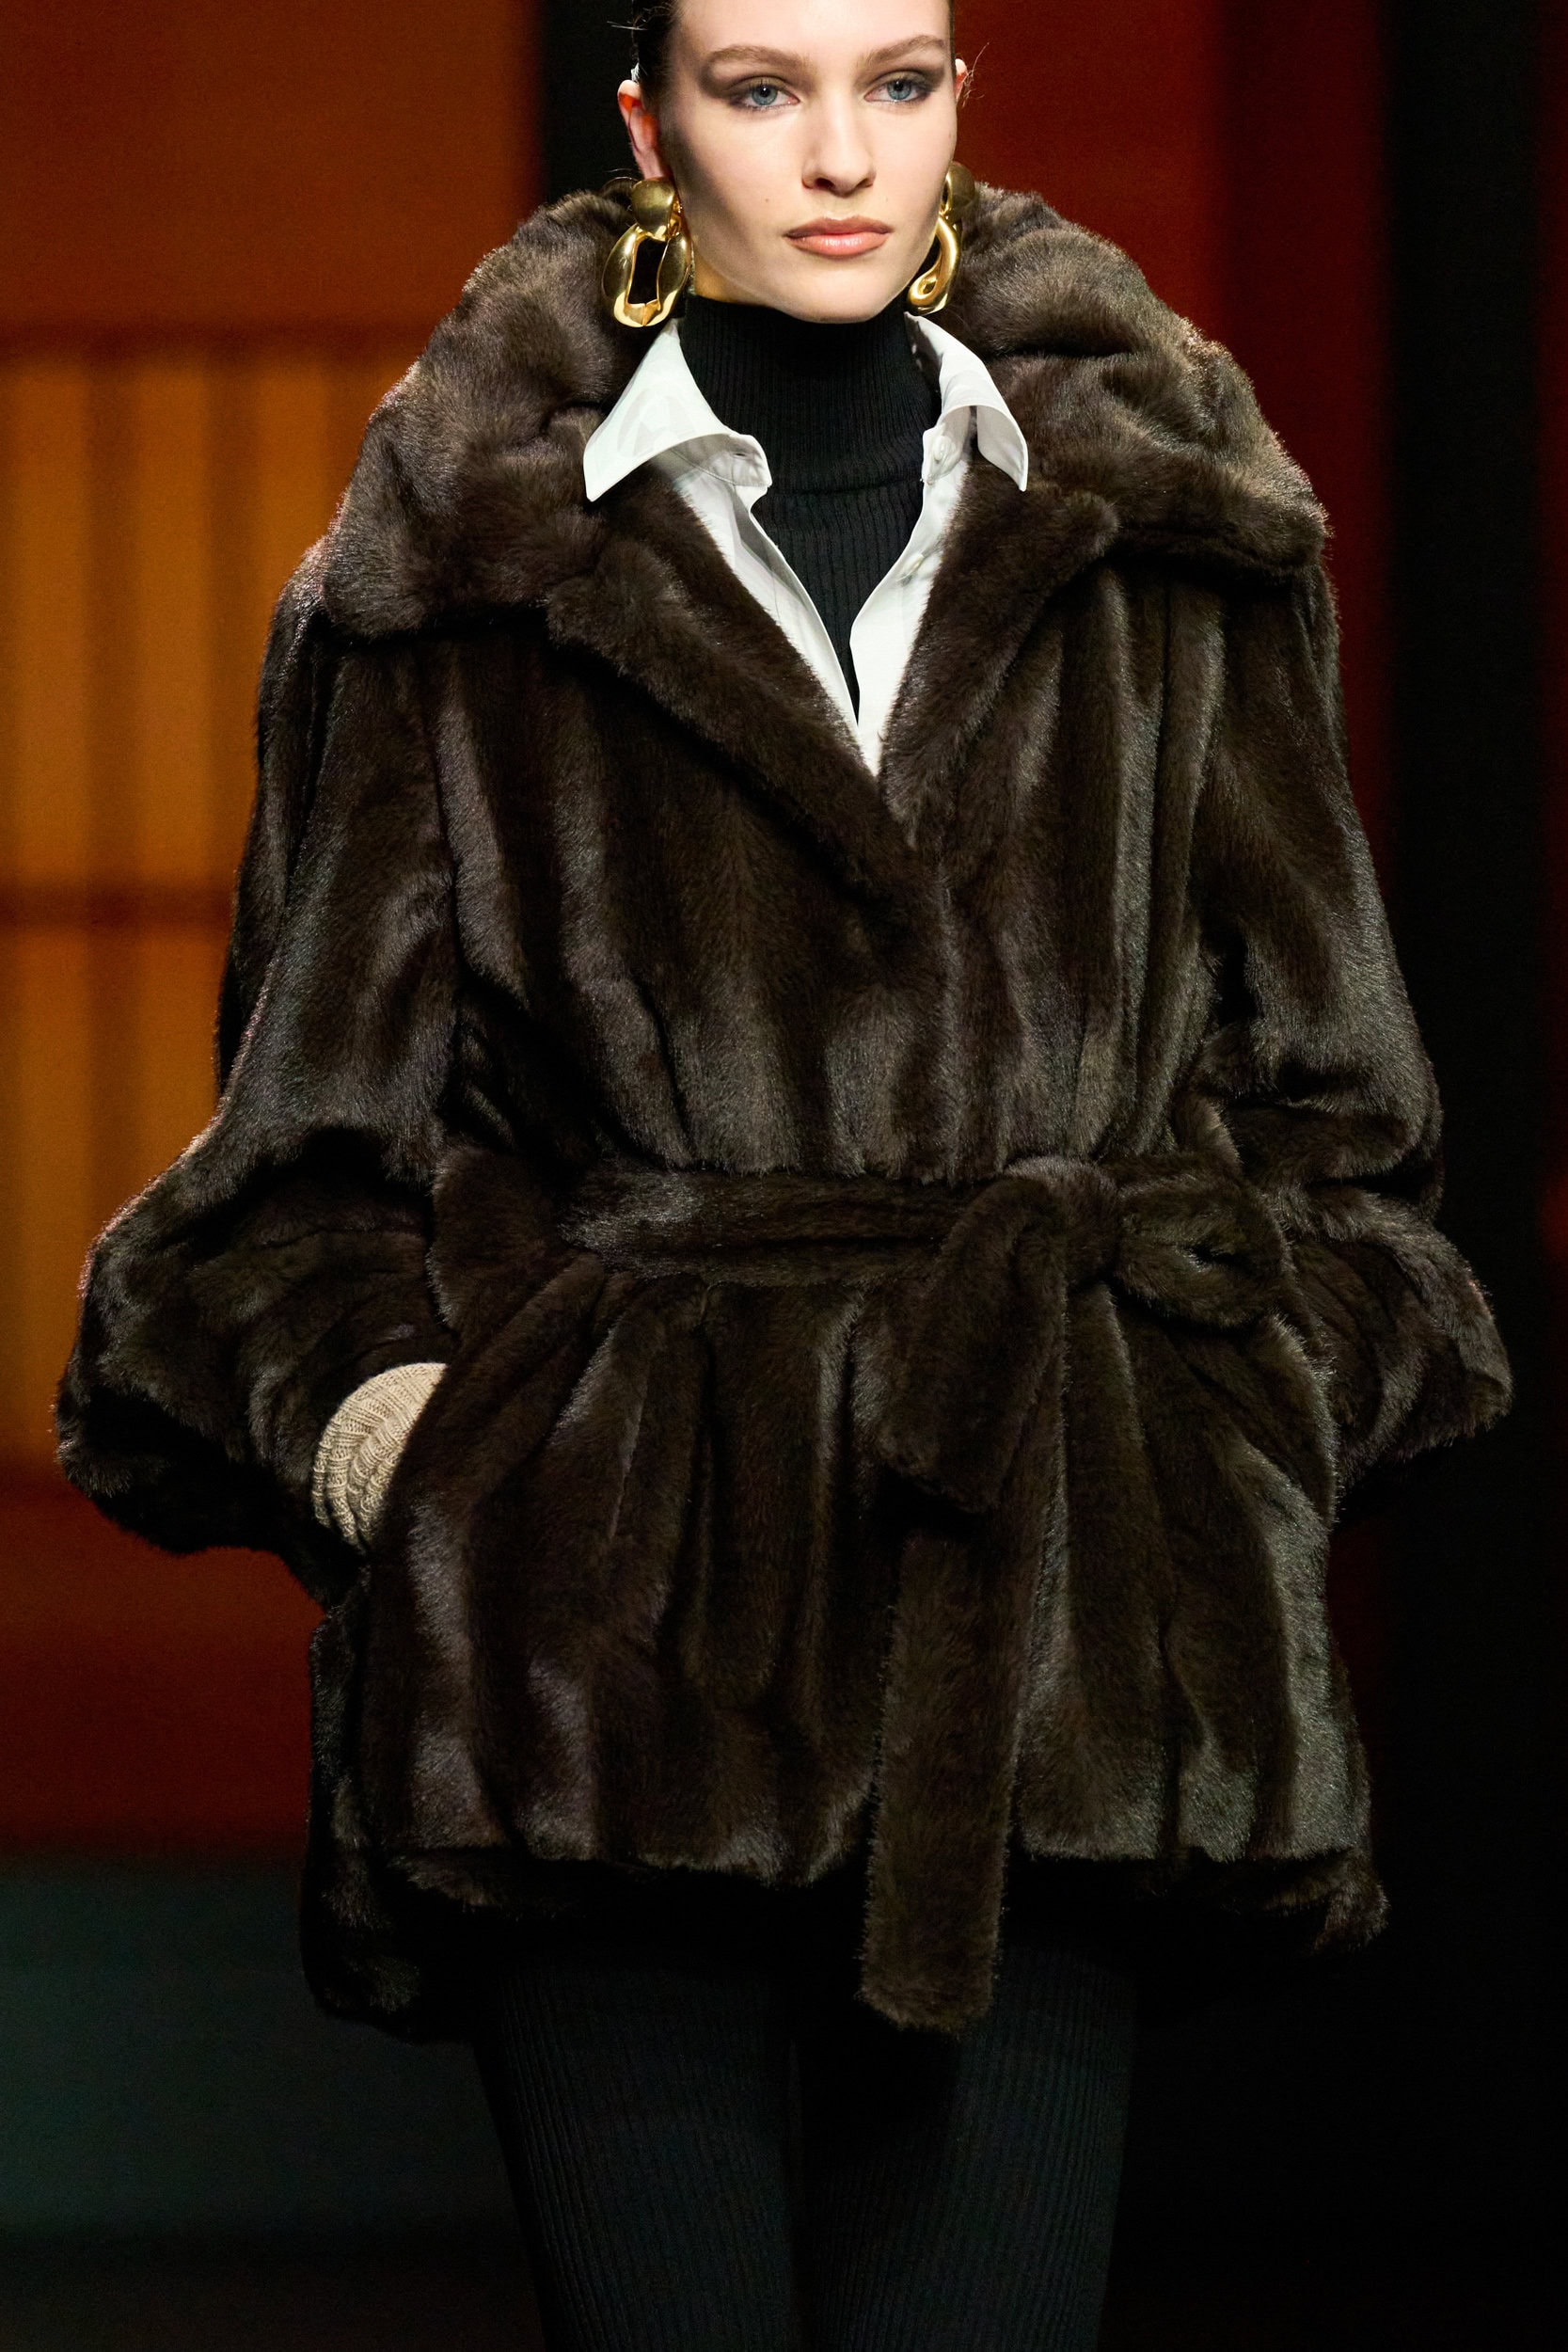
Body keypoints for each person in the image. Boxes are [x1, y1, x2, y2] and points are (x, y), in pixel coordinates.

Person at [55, 1, 1513, 2345]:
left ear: (958, 99)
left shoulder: (1173, 542)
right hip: (607, 1641)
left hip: (1037, 1608)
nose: (843, 152)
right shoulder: (458, 572)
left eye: (899, 80)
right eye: (764, 87)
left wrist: (1209, 1430)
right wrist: (421, 1449)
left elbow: (1344, 1121)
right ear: (651, 124)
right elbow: (296, 1169)